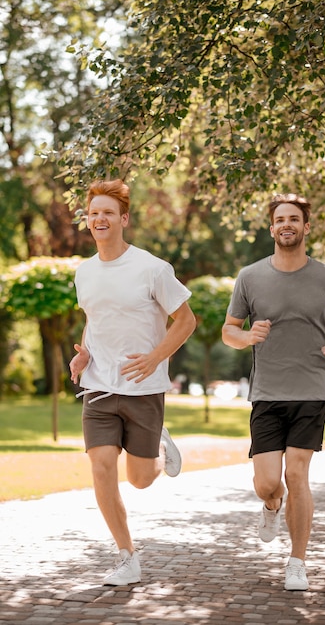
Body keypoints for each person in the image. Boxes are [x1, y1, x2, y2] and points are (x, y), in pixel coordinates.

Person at [222, 193, 325, 591]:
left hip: (312, 388)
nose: (287, 224)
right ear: (271, 228)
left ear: (305, 227)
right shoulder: (249, 277)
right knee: (268, 482)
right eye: (280, 218)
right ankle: (271, 506)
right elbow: (229, 331)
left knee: (297, 473)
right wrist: (247, 336)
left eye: (294, 219)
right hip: (266, 391)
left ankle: (297, 562)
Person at [69, 179, 196, 586]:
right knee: (101, 466)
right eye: (94, 213)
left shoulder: (153, 268)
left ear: (123, 218)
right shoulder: (84, 273)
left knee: (140, 480)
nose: (100, 218)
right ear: (87, 222)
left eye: (108, 212)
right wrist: (84, 353)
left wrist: (156, 357)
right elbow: (95, 321)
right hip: (98, 387)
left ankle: (158, 440)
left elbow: (187, 321)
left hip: (143, 389)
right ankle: (127, 556)